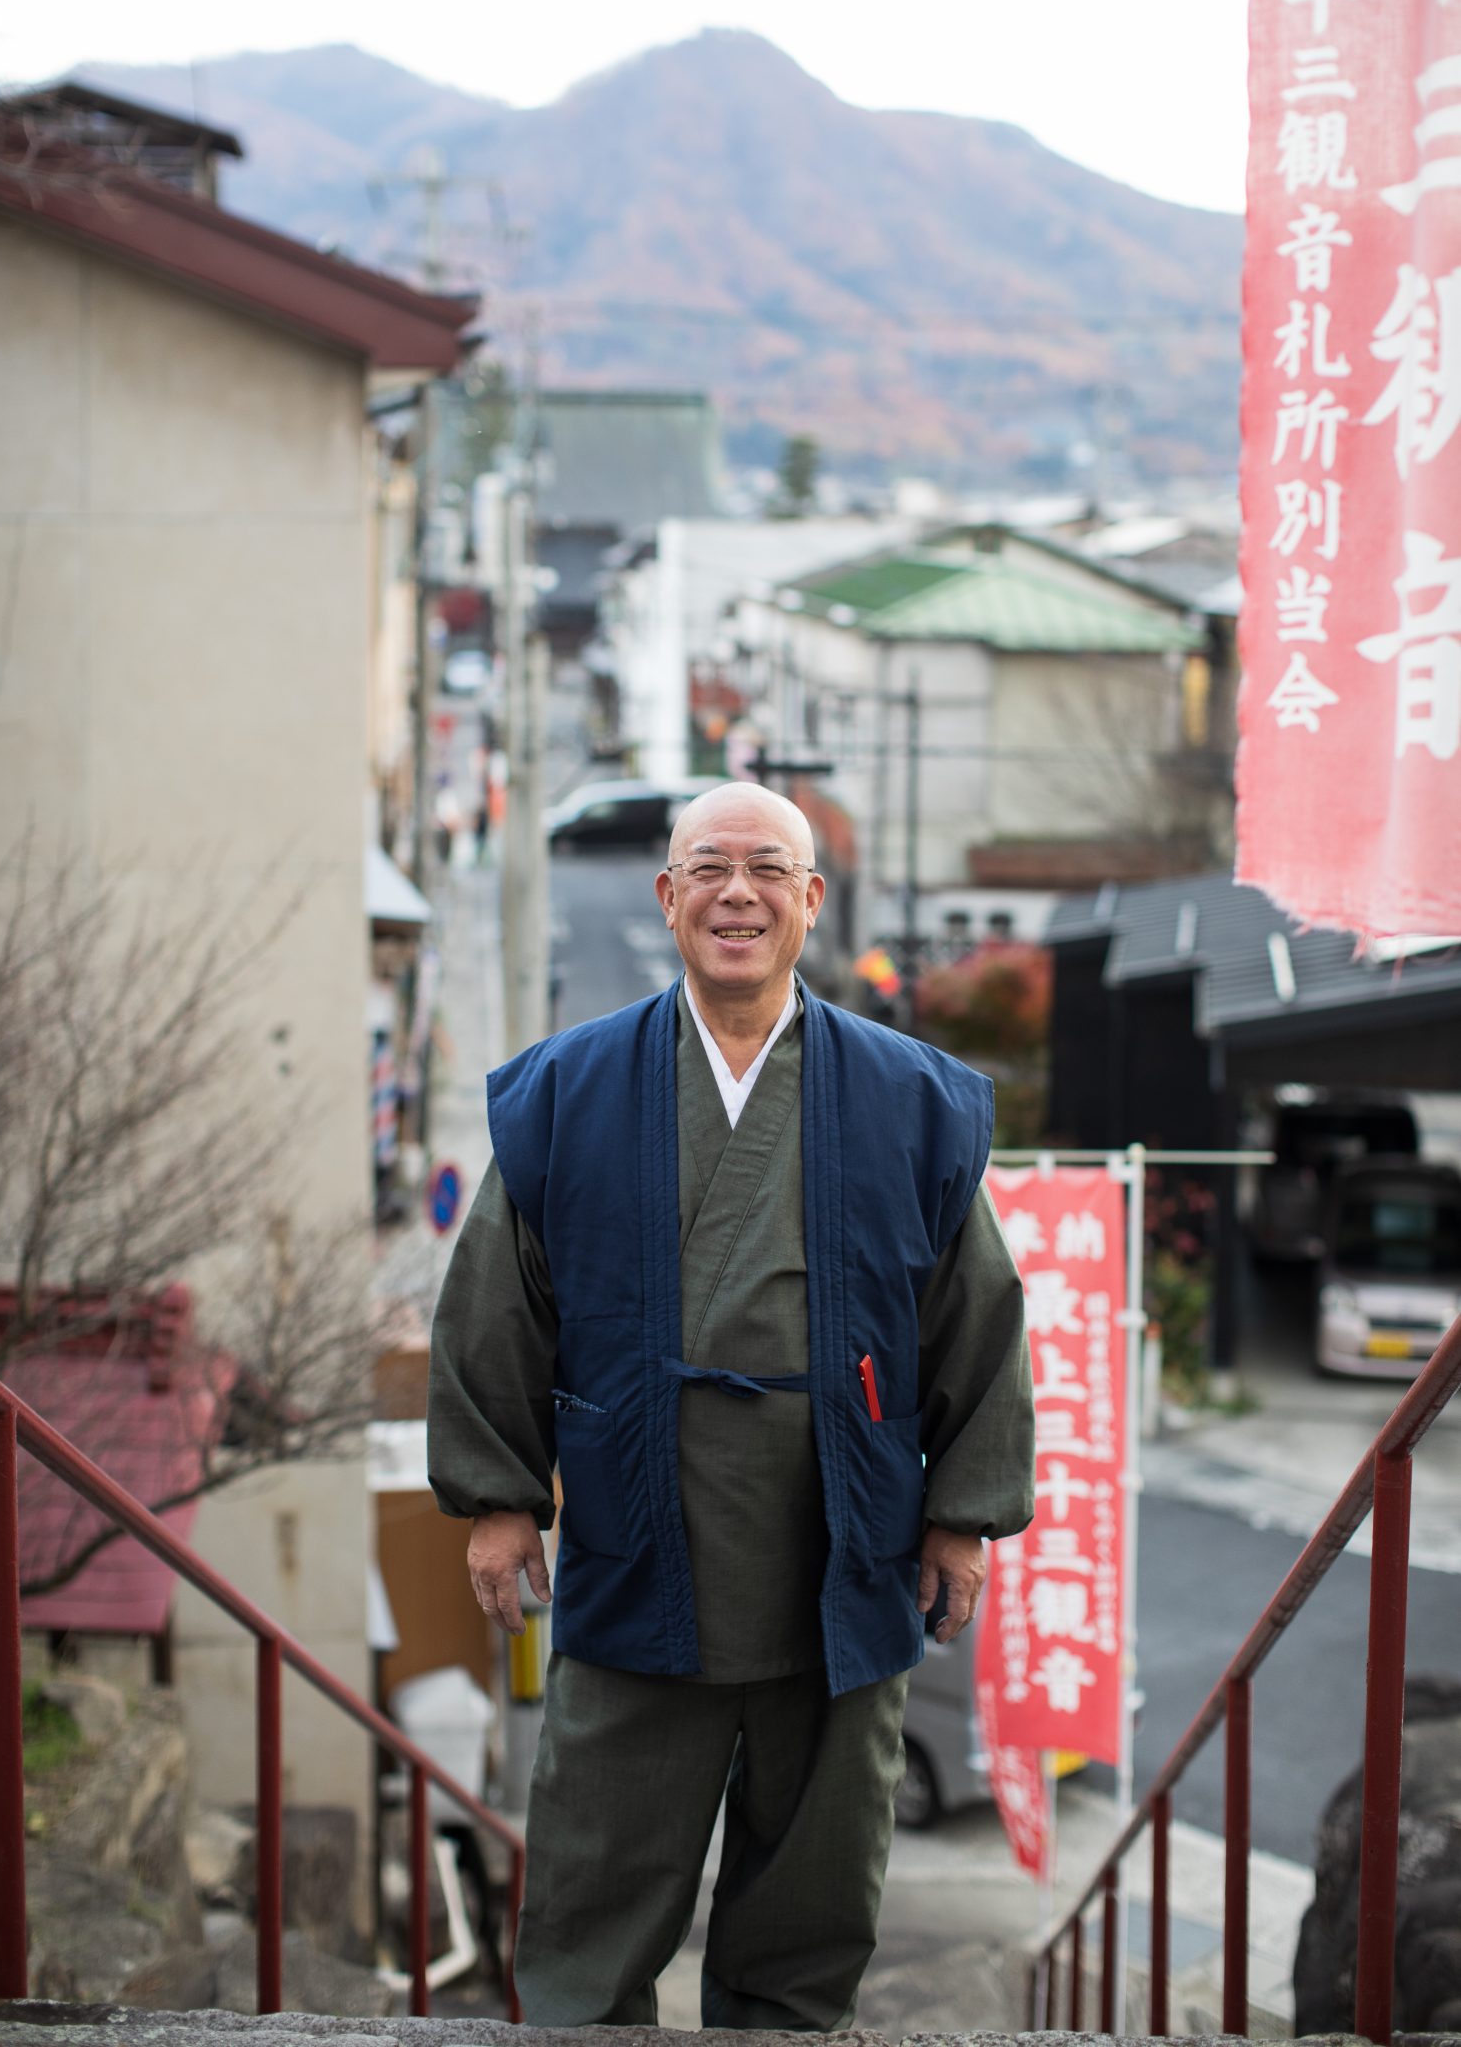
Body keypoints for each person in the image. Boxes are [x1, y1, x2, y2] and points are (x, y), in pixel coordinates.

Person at [427, 782, 1034, 2031]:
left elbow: (976, 1314)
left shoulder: (905, 1098)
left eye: (769, 869)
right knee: (592, 1910)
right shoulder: (569, 1091)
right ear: (668, 897)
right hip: (640, 1549)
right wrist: (497, 1497)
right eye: (709, 868)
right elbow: (497, 1302)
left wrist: (962, 1513)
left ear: (812, 902)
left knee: (805, 1930)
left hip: (842, 1554)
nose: (738, 892)